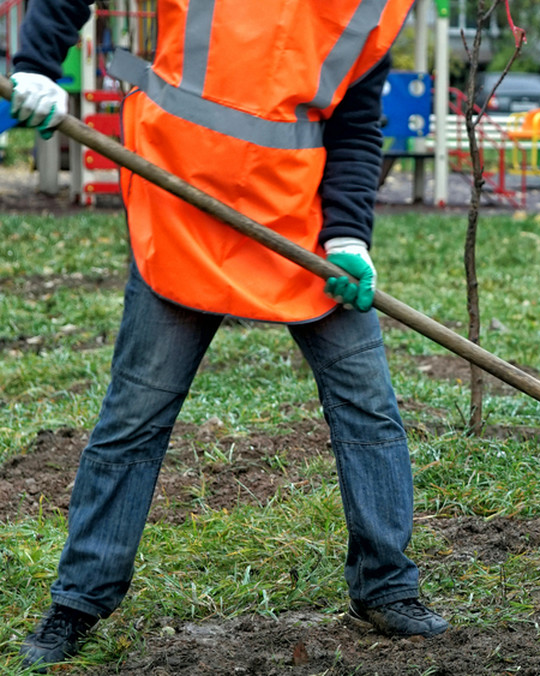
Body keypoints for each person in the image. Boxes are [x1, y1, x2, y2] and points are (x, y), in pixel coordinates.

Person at [10, 0, 447, 670]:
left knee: (370, 408)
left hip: (295, 227)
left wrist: (350, 235)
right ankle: (78, 601)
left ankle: (387, 588)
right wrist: (37, 65)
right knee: (136, 415)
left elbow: (355, 126)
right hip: (181, 205)